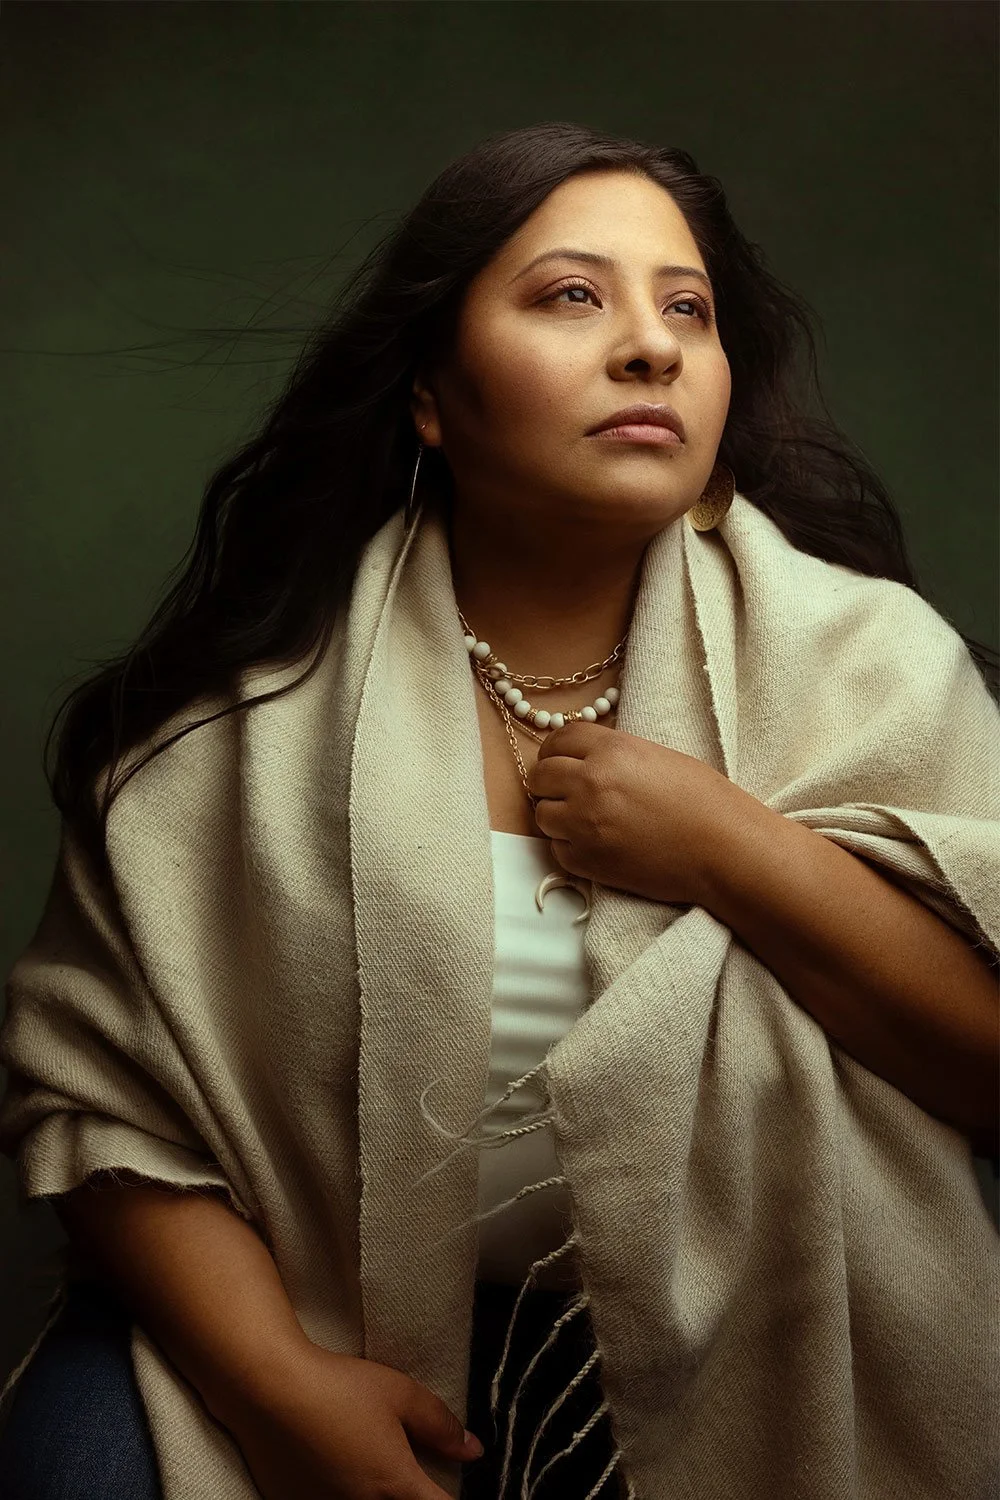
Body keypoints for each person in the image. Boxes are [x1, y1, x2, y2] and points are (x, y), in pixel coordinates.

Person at [0, 121, 997, 1500]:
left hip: (753, 1351)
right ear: (430, 395)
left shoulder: (873, 668)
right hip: (312, 1326)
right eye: (573, 296)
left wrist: (731, 847)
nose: (649, 348)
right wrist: (277, 1388)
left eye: (688, 310)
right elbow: (102, 1115)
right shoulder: (236, 734)